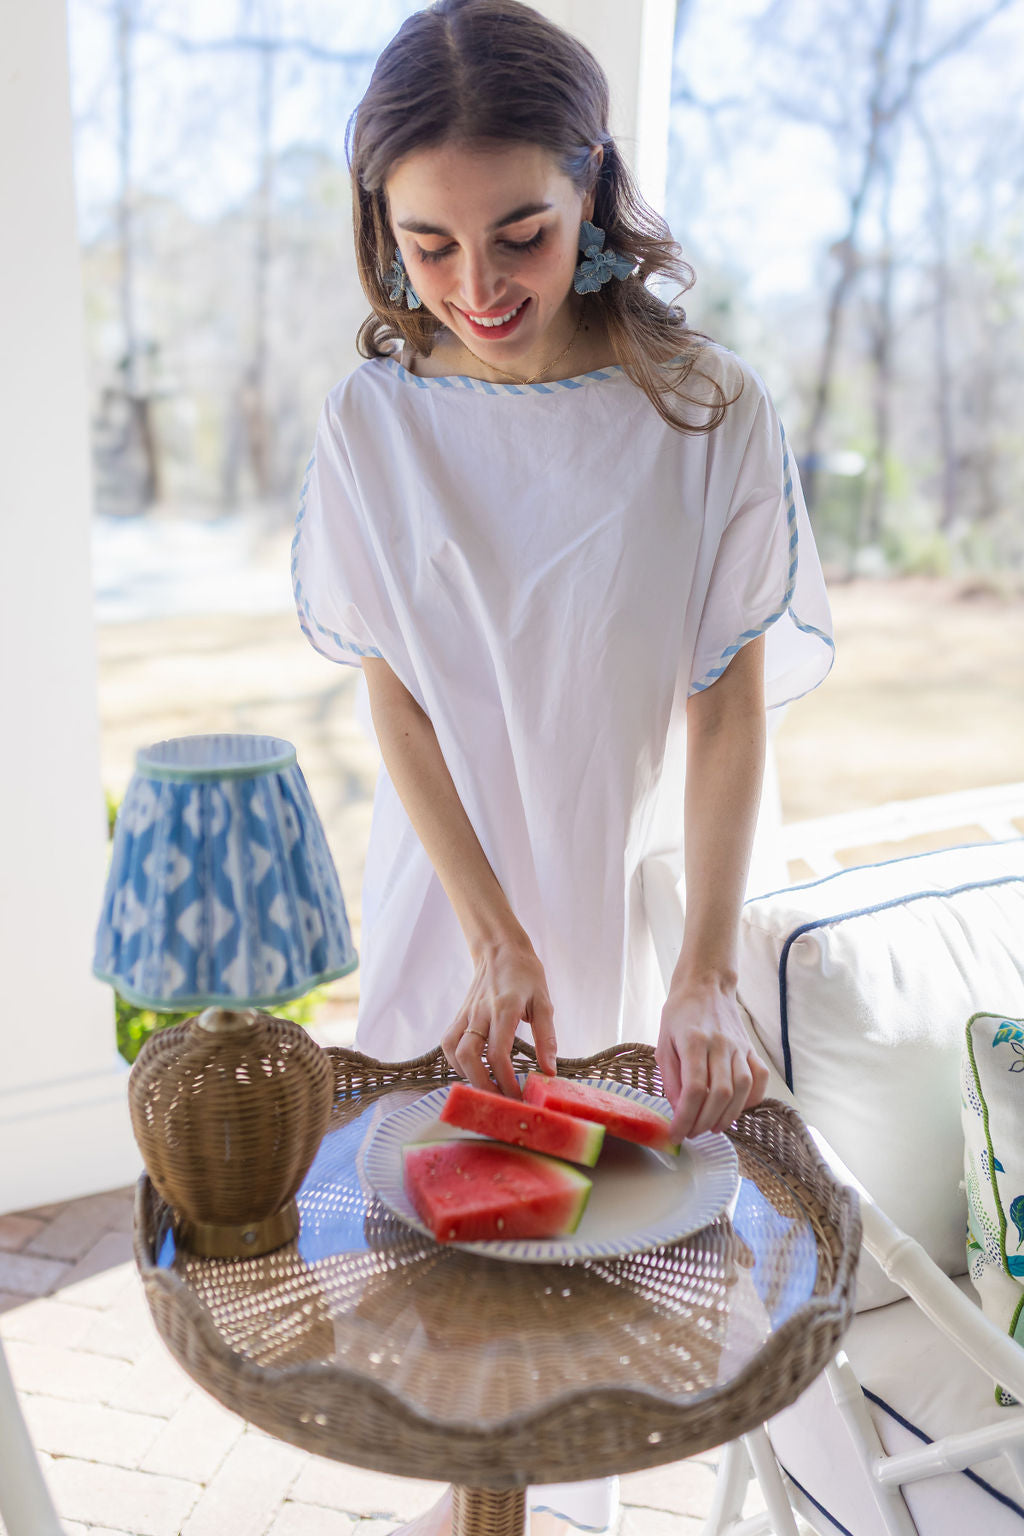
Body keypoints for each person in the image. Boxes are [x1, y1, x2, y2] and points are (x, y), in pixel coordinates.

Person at [291, 2, 834, 1531]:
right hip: (450, 907)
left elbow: (727, 707)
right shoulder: (372, 422)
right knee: (439, 1321)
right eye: (428, 246)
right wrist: (494, 934)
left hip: (645, 899)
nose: (475, 288)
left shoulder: (706, 410)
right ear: (381, 229)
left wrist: (705, 973)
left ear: (591, 182)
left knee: (604, 1333)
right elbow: (398, 704)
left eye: (519, 233)